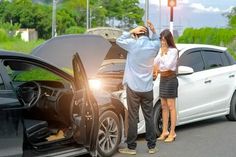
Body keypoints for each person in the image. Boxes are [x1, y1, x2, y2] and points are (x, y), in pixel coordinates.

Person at [116, 20, 160, 155]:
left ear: (137, 34)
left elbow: (118, 40)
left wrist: (130, 31)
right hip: (147, 88)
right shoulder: (154, 46)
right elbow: (157, 39)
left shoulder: (132, 44)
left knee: (133, 117)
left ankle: (131, 147)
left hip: (133, 88)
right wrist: (154, 30)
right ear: (147, 34)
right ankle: (152, 146)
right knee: (149, 116)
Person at [154, 29, 179, 143]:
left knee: (171, 106)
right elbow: (155, 62)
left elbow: (168, 65)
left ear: (169, 40)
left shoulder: (173, 51)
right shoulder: (161, 50)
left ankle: (172, 132)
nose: (162, 42)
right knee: (163, 105)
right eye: (161, 40)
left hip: (171, 78)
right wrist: (162, 54)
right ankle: (165, 131)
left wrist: (163, 54)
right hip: (163, 79)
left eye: (164, 40)